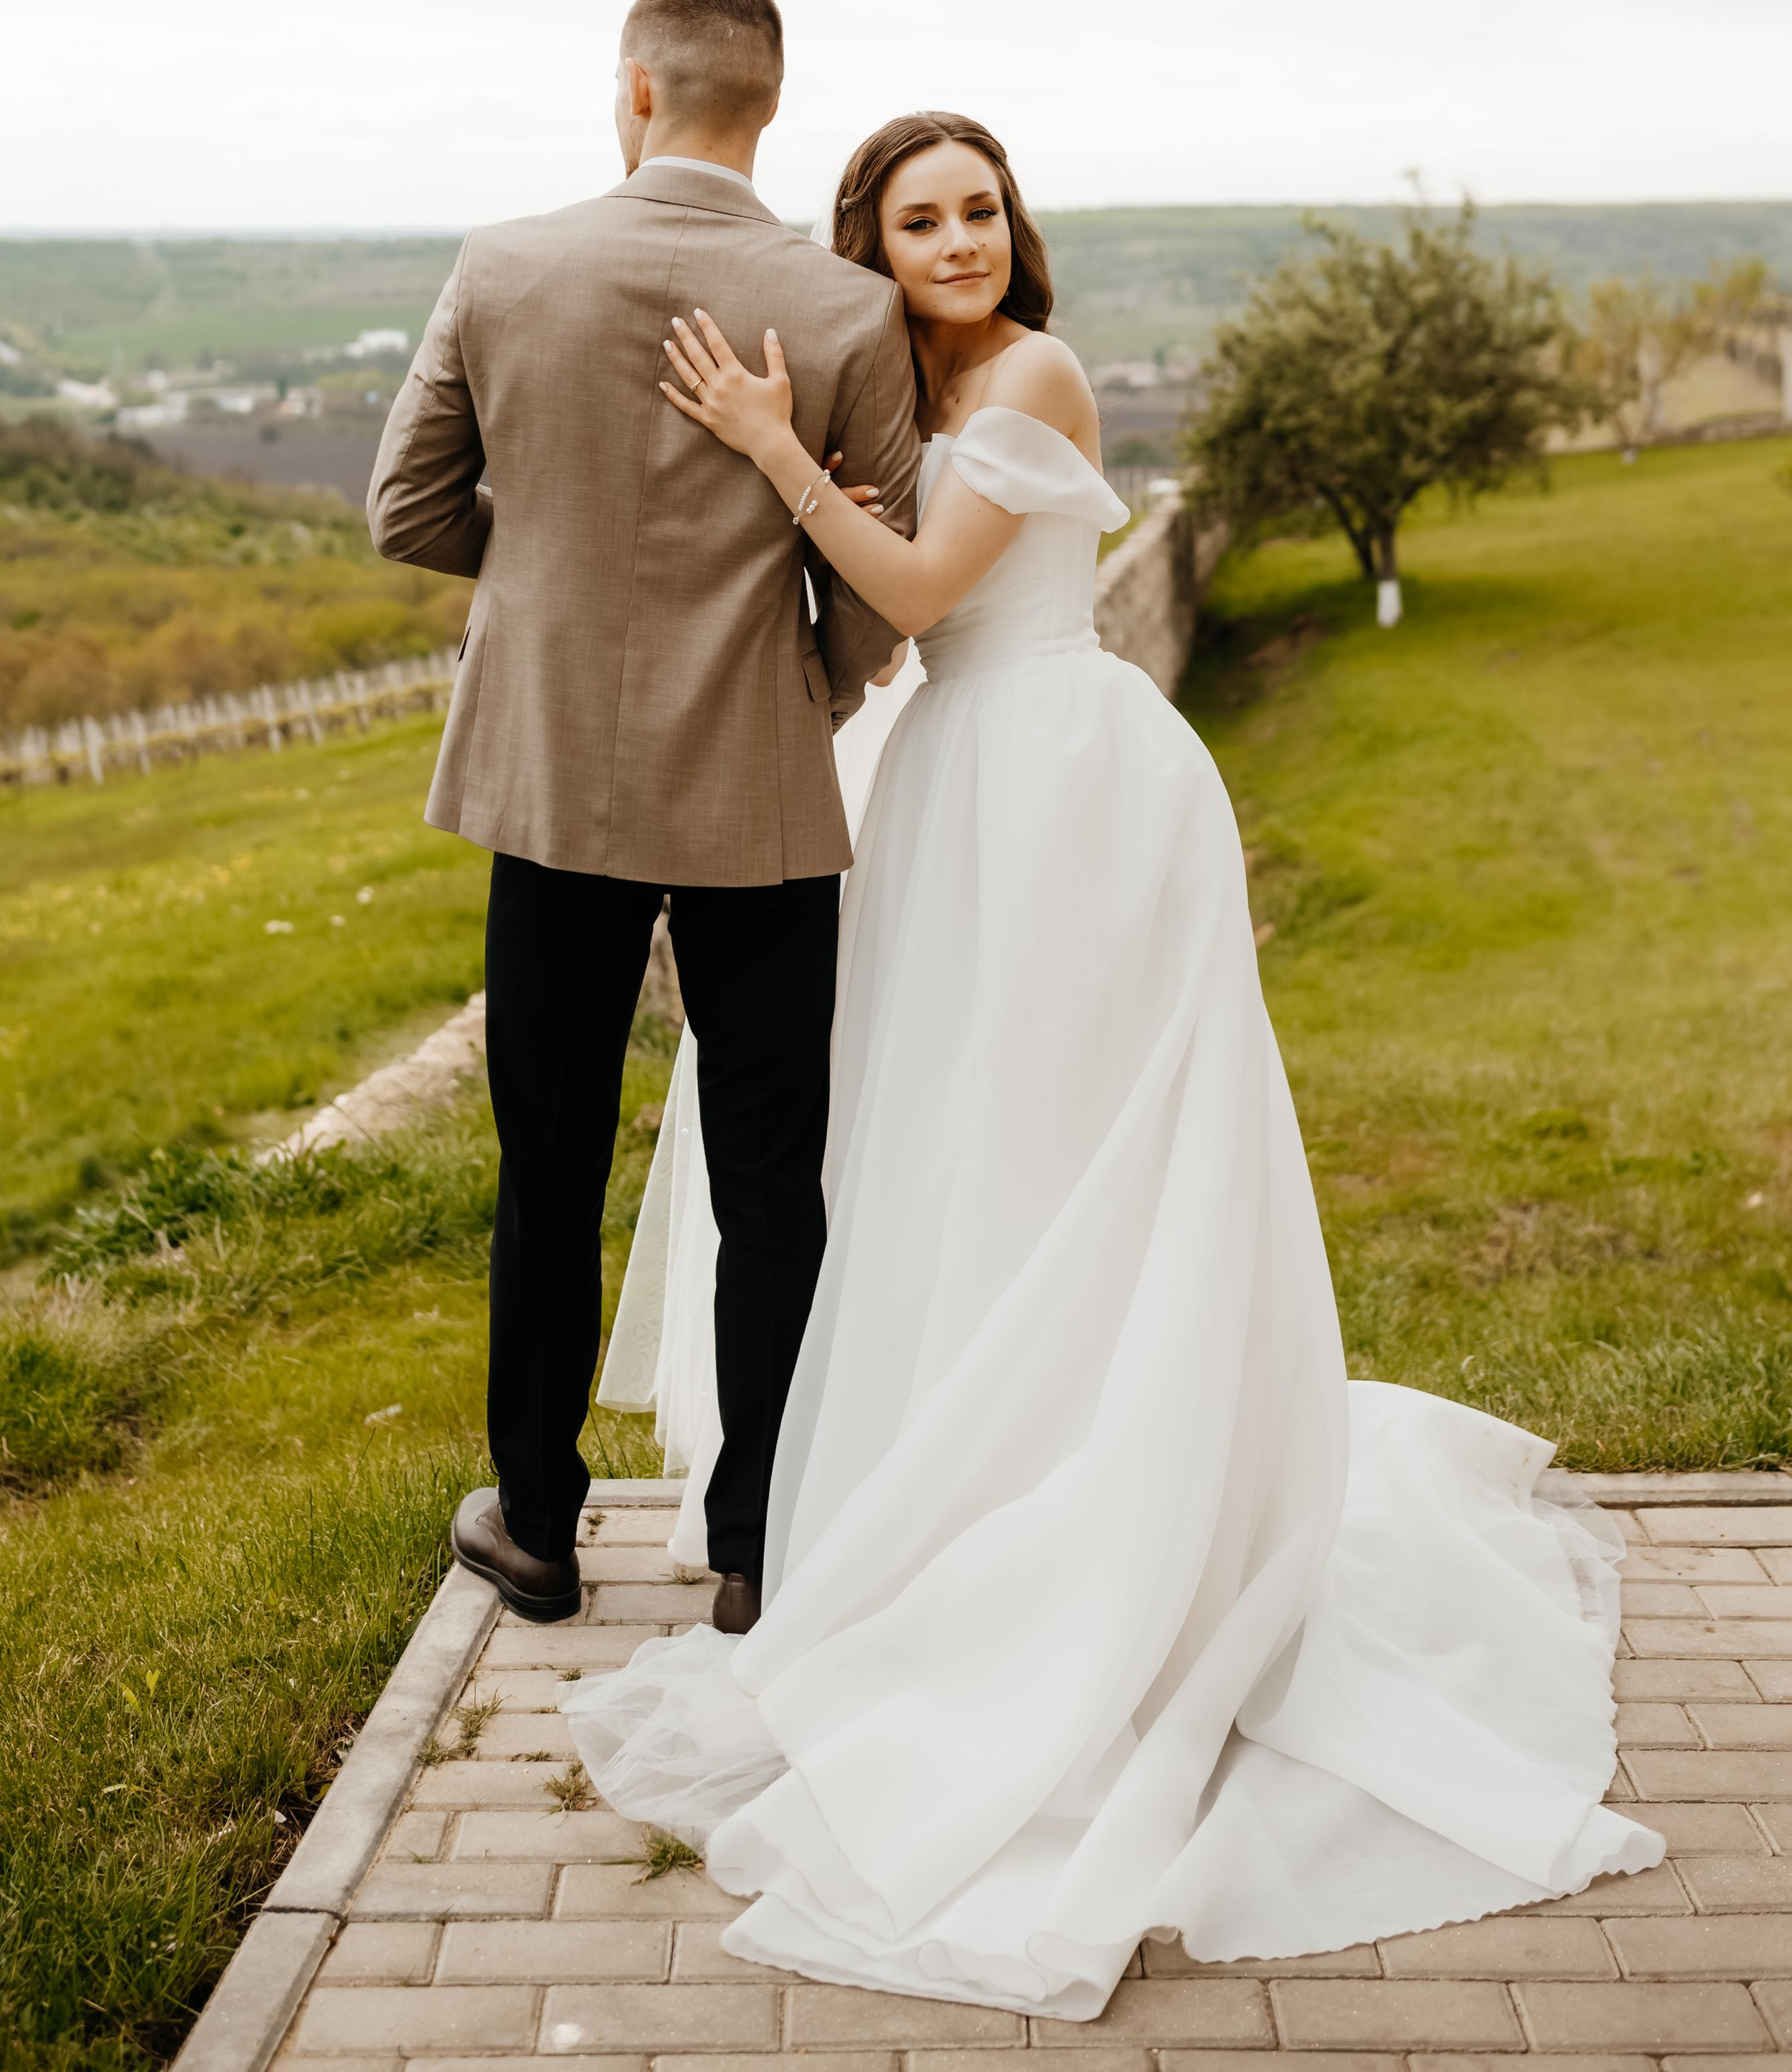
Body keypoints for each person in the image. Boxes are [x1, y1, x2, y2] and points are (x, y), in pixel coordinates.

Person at [565, 110, 1663, 2022]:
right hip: (953, 793)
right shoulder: (900, 386)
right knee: (956, 1157)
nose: (962, 240)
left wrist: (767, 449)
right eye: (923, 219)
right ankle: (971, 1486)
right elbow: (864, 624)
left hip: (1072, 788)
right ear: (870, 244)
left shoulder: (1038, 378)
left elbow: (921, 594)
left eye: (982, 210)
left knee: (1085, 1147)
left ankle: (1119, 1516)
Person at [367, 0, 920, 1629]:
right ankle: (755, 1545)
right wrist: (811, 681)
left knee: (546, 1163)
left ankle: (538, 1528)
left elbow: (408, 511)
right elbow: (876, 590)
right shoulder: (844, 311)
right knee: (769, 1175)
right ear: (769, 105)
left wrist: (548, 574)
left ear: (633, 92)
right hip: (758, 780)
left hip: (551, 783)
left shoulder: (502, 266)